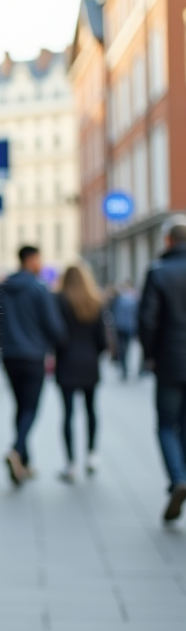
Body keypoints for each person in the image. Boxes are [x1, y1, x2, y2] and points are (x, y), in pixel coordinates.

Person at [0, 246, 66, 485]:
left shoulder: (3, 288)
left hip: (10, 355)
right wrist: (58, 343)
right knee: (30, 408)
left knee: (20, 406)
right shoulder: (38, 288)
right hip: (33, 356)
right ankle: (16, 450)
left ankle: (24, 462)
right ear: (31, 259)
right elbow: (53, 326)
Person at [139, 215, 186, 522]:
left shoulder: (158, 272)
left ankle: (178, 478)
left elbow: (148, 320)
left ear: (168, 240)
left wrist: (149, 355)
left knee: (167, 423)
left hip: (170, 360)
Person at [53, 266, 108, 483]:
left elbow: (56, 334)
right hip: (89, 362)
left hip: (66, 362)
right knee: (91, 409)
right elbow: (102, 339)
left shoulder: (59, 300)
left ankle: (71, 464)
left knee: (68, 413)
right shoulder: (95, 301)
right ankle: (92, 455)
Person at [110, 281, 139, 379]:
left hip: (120, 326)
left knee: (121, 347)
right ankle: (124, 365)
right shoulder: (133, 300)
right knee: (126, 347)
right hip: (129, 326)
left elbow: (114, 311)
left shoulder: (119, 299)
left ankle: (123, 366)